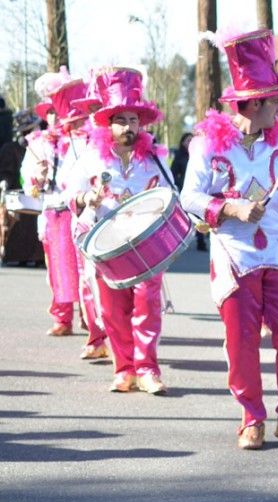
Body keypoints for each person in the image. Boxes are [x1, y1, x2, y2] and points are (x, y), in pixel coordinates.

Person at [181, 29, 278, 450]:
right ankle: (251, 418)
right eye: (275, 102)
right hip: (233, 254)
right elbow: (188, 196)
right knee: (241, 340)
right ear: (255, 102)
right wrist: (230, 209)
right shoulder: (207, 145)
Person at [65, 67, 172, 394]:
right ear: (108, 124)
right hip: (105, 244)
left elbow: (172, 193)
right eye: (122, 120)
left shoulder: (154, 158)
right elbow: (70, 194)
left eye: (134, 120)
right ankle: (125, 369)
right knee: (113, 310)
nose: (128, 127)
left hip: (145, 246)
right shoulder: (91, 157)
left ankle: (148, 369)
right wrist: (88, 197)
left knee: (146, 308)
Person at [21, 71, 92, 341]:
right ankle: (62, 317)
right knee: (58, 270)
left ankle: (90, 318)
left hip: (82, 211)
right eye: (50, 112)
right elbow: (27, 179)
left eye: (58, 111)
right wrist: (35, 179)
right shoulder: (38, 145)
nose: (55, 118)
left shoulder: (85, 141)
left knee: (85, 269)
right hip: (53, 212)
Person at [0, 111, 44, 266]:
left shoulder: (42, 146)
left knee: (35, 226)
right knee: (19, 225)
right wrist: (5, 182)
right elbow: (6, 171)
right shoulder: (11, 149)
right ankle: (17, 255)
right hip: (19, 195)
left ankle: (38, 257)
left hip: (38, 191)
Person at [171, 132, 206, 251]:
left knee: (198, 216)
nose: (190, 143)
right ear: (182, 143)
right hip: (184, 192)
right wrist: (179, 184)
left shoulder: (200, 156)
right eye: (188, 141)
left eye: (192, 140)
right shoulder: (180, 157)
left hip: (200, 192)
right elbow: (173, 174)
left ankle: (200, 240)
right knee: (184, 218)